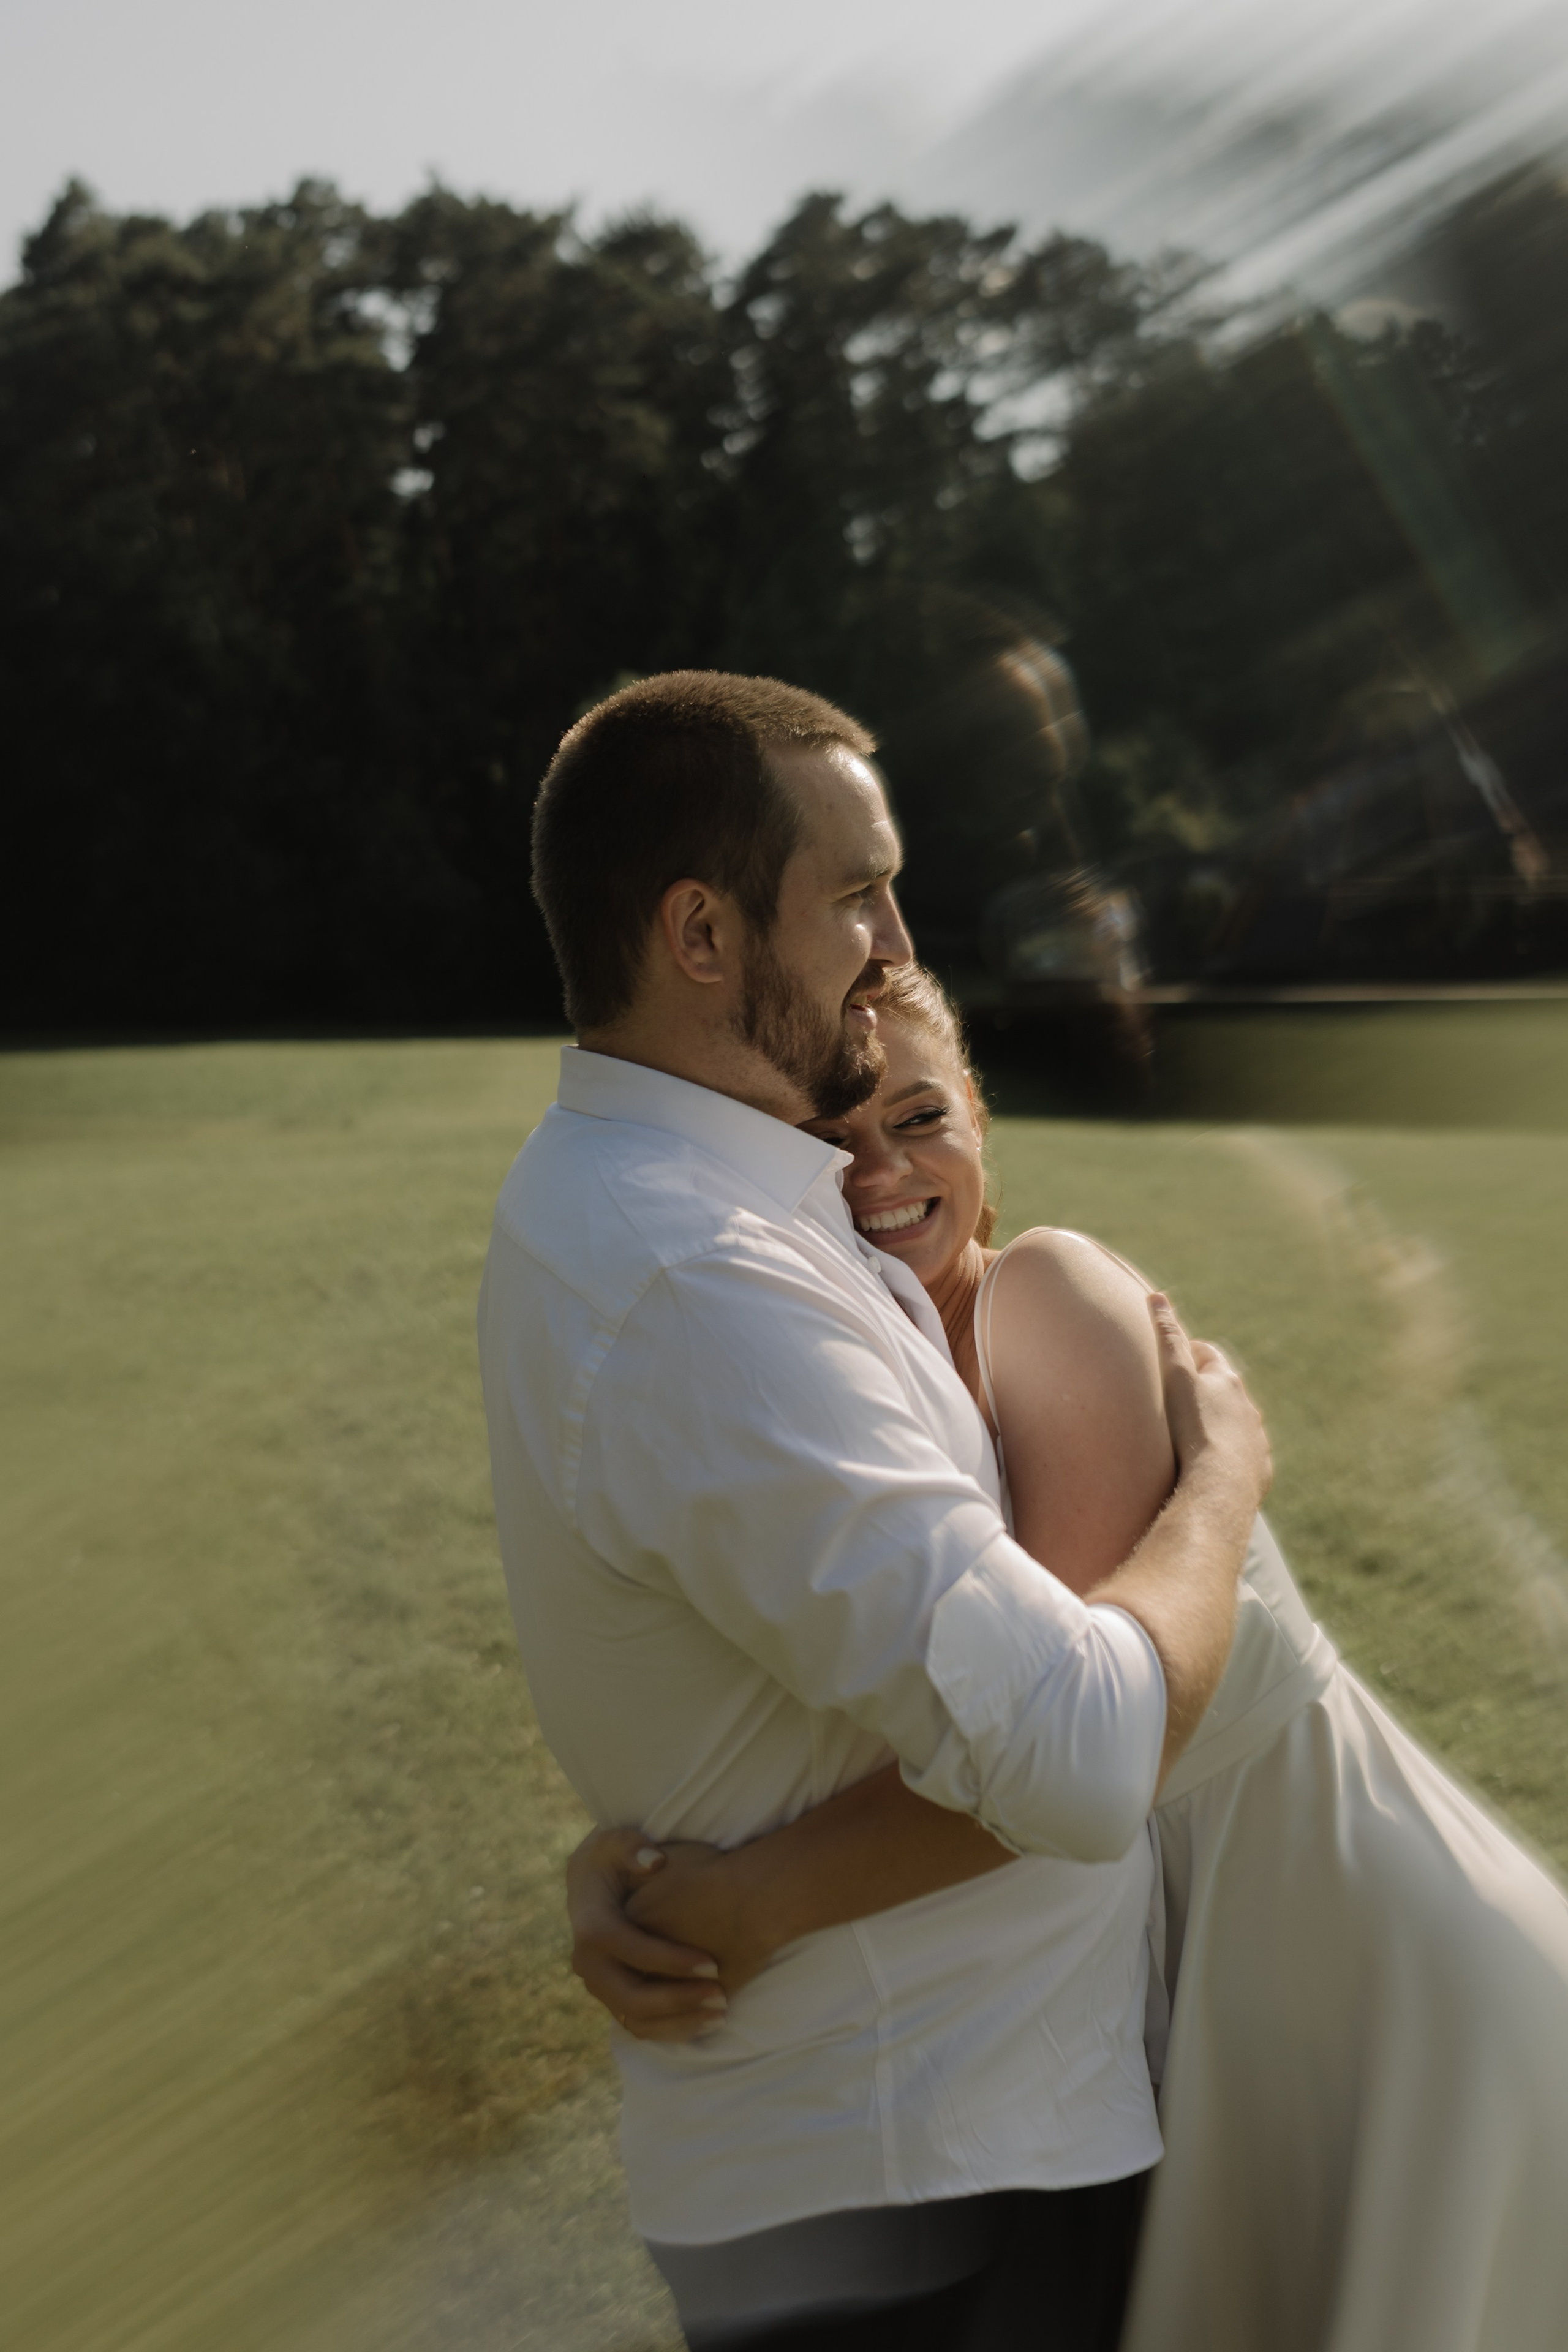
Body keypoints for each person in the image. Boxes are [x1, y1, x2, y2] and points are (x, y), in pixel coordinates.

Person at [571, 961, 1568, 2352]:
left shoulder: (1045, 1292)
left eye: (920, 1118)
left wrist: (740, 1904)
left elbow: (1058, 1741)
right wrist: (625, 1870)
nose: (880, 1170)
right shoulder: (845, 1372)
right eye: (831, 1137)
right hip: (1204, 2003)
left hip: (1364, 1970)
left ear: (982, 1121)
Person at [478, 671, 1273, 2352]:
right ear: (702, 934)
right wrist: (1223, 1482)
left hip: (944, 2143)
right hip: (922, 2187)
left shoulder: (692, 1205)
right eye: (855, 892)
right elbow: (1075, 1751)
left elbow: (748, 1645)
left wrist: (667, 1855)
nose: (896, 937)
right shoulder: (702, 1275)